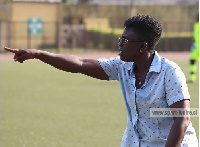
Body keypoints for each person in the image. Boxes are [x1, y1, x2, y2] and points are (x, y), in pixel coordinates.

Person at [4, 15, 198, 147]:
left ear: (142, 47)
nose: (120, 44)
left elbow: (182, 119)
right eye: (120, 39)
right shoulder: (122, 67)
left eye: (125, 40)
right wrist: (38, 54)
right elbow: (80, 63)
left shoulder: (169, 72)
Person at [190, 13, 199, 82]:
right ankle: (192, 78)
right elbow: (194, 36)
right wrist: (193, 44)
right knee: (192, 61)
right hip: (196, 47)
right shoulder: (196, 25)